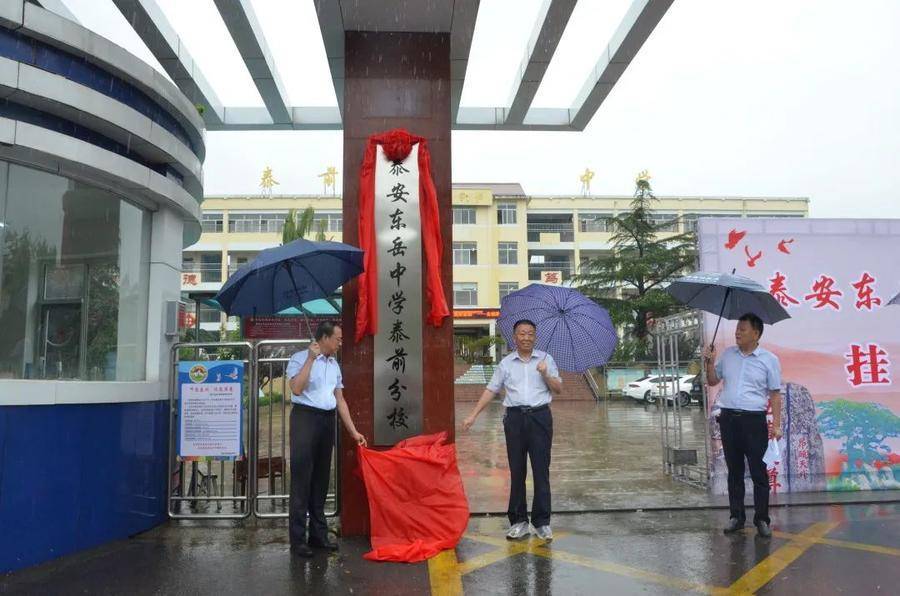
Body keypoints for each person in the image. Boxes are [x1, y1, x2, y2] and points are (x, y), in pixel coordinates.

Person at [462, 319, 563, 541]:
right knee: (517, 471)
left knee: (541, 470)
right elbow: (491, 389)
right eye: (522, 333)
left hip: (540, 417)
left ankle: (542, 522)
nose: (526, 337)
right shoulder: (506, 363)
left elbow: (558, 389)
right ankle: (519, 521)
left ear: (535, 336)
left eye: (530, 333)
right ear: (514, 337)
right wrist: (473, 415)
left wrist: (546, 374)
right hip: (515, 419)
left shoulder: (546, 359)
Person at [286, 322, 366, 558]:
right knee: (302, 478)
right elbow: (297, 389)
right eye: (338, 339)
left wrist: (353, 432)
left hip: (326, 420)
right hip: (305, 419)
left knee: (321, 479)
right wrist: (311, 360)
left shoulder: (334, 365)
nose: (341, 343)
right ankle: (298, 540)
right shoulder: (299, 358)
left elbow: (340, 400)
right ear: (324, 338)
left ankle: (318, 535)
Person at [703, 312, 782, 538]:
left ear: (756, 333)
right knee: (734, 471)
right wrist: (708, 361)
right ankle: (736, 517)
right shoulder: (728, 355)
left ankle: (762, 519)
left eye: (743, 329)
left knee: (759, 472)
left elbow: (775, 395)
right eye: (737, 328)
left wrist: (777, 424)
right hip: (729, 419)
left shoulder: (769, 360)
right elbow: (712, 380)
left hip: (754, 421)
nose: (737, 332)